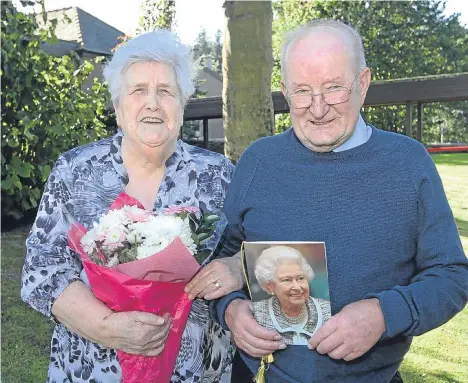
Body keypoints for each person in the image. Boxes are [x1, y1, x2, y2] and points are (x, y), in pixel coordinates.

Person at [211, 19, 468, 383]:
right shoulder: (258, 162)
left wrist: (383, 315)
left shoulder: (408, 163)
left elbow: (453, 276)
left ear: (362, 84)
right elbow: (223, 259)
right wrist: (231, 310)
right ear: (284, 92)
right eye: (302, 92)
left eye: (333, 88)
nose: (317, 109)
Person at [20, 30, 244, 383]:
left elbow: (249, 252)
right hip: (93, 365)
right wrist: (107, 327)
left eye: (166, 91)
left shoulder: (219, 176)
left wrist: (236, 265)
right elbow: (42, 271)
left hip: (193, 369)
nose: (153, 103)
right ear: (117, 106)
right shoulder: (75, 171)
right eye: (139, 90)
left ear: (182, 105)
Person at [252, 246, 331, 346]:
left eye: (301, 278)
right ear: (270, 286)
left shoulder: (327, 311)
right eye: (287, 280)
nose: (297, 287)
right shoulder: (257, 314)